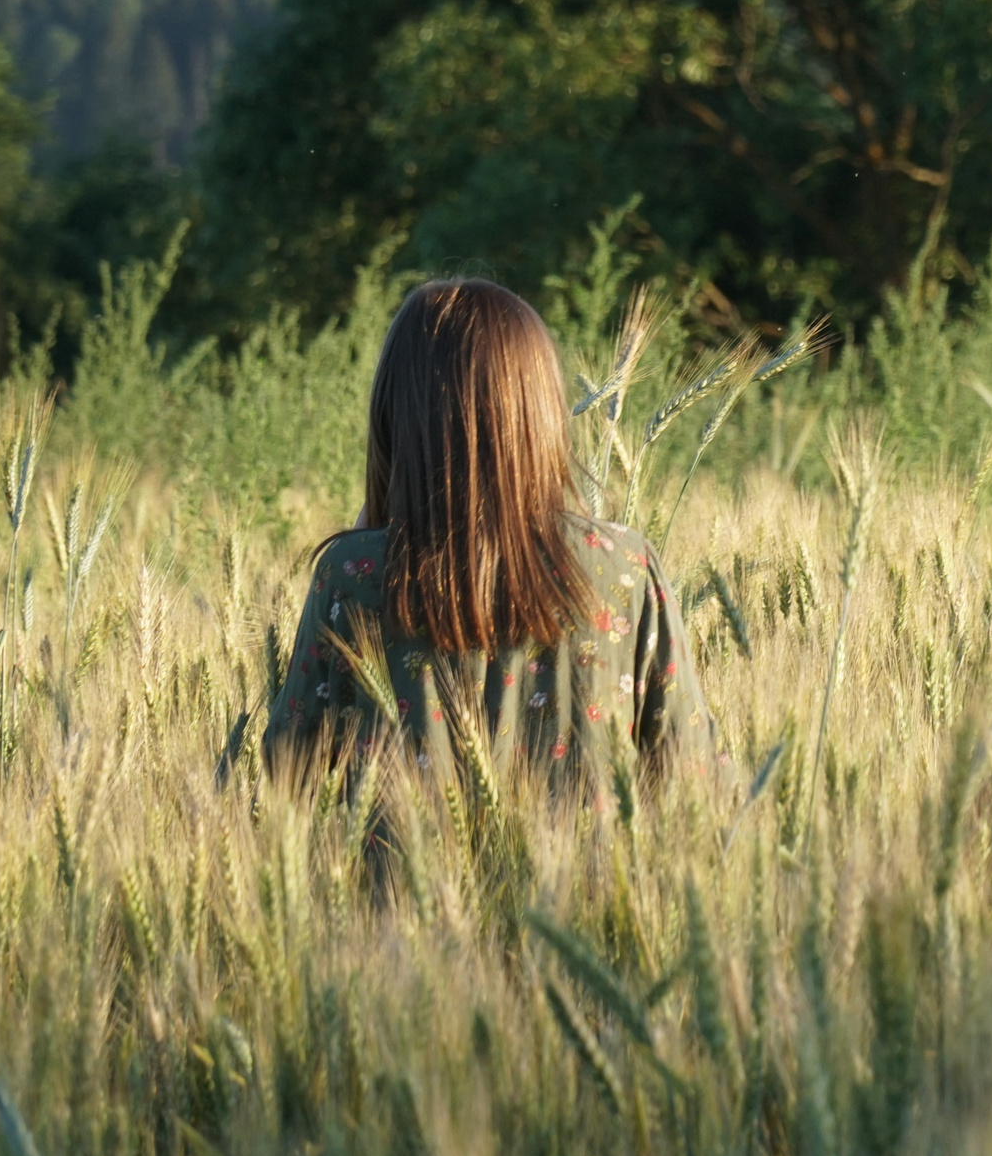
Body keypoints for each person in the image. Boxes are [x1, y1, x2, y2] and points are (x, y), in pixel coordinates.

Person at [265, 278, 715, 785]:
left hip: (402, 867)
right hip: (589, 867)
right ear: (541, 415)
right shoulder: (626, 566)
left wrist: (364, 542)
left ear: (397, 418)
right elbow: (691, 769)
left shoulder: (353, 576)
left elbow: (288, 774)